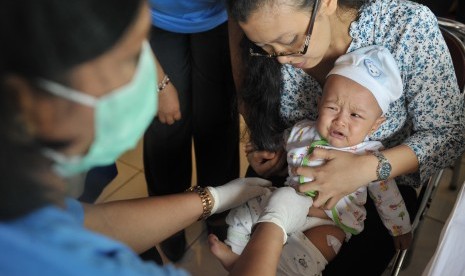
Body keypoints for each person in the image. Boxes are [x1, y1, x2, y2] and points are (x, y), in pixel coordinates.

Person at [0, 0, 314, 275]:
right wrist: (273, 224)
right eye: (133, 57)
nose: (146, 79)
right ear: (30, 101)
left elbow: (85, 222)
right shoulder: (73, 260)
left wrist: (215, 199)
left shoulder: (30, 209)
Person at [226, 0, 465, 274]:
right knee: (245, 246)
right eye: (266, 49)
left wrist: (366, 168)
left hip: (379, 187)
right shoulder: (268, 42)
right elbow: (278, 126)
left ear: (326, 3)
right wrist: (270, 148)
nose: (282, 59)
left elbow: (450, 135)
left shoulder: (404, 26)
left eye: (291, 40)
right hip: (296, 171)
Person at [209, 45, 413, 275]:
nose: (340, 121)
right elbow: (283, 141)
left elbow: (388, 197)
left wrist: (400, 229)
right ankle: (237, 253)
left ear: (376, 124)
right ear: (319, 104)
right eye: (332, 107)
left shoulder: (370, 156)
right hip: (288, 202)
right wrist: (268, 148)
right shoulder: (302, 131)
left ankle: (272, 270)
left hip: (329, 221)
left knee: (311, 253)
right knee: (245, 213)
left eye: (355, 115)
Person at [143, 0, 240, 262]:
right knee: (167, 123)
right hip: (152, 18)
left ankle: (220, 210)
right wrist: (158, 84)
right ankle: (167, 216)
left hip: (221, 17)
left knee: (217, 119)